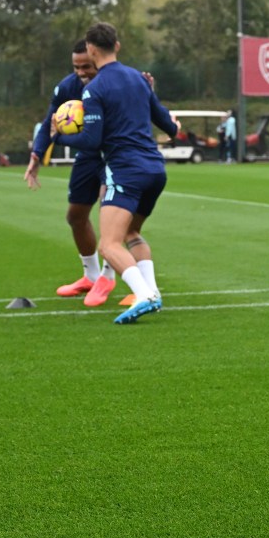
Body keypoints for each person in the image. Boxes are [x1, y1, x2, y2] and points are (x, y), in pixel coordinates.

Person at [53, 22, 179, 323]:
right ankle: (152, 292)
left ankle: (145, 295)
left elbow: (91, 141)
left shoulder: (94, 88)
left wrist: (60, 136)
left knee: (109, 244)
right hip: (155, 169)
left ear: (91, 50)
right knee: (132, 232)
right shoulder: (138, 78)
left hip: (125, 171)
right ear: (117, 46)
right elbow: (166, 122)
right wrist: (174, 128)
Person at [24, 40, 118, 306]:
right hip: (87, 156)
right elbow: (49, 122)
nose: (81, 72)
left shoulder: (114, 82)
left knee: (109, 214)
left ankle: (106, 277)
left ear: (97, 58)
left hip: (114, 155)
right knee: (75, 216)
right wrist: (36, 155)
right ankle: (90, 275)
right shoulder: (68, 87)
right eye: (76, 67)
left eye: (86, 66)